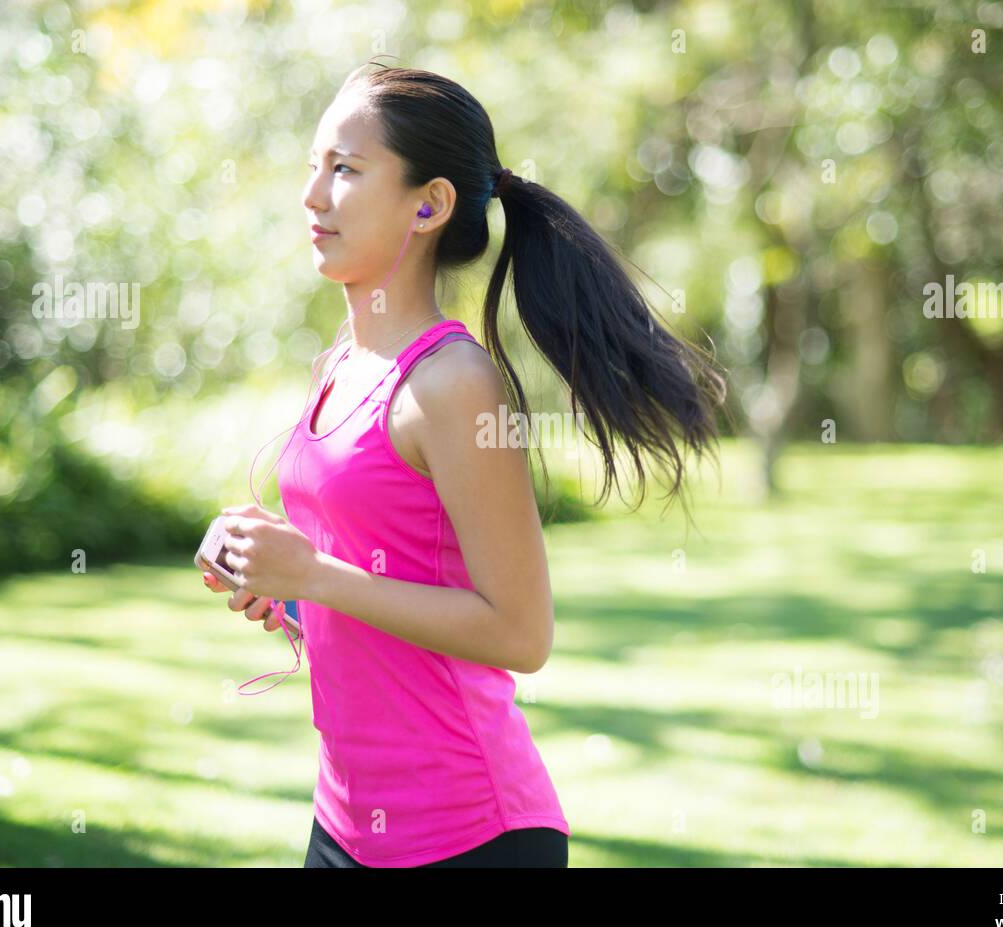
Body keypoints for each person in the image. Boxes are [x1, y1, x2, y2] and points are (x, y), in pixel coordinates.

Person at [202, 60, 727, 867]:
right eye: (314, 166)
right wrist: (279, 583)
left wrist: (313, 577)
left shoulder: (454, 384)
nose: (312, 196)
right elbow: (381, 581)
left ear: (430, 203)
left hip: (471, 831)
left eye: (344, 170)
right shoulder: (340, 364)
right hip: (344, 822)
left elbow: (521, 630)